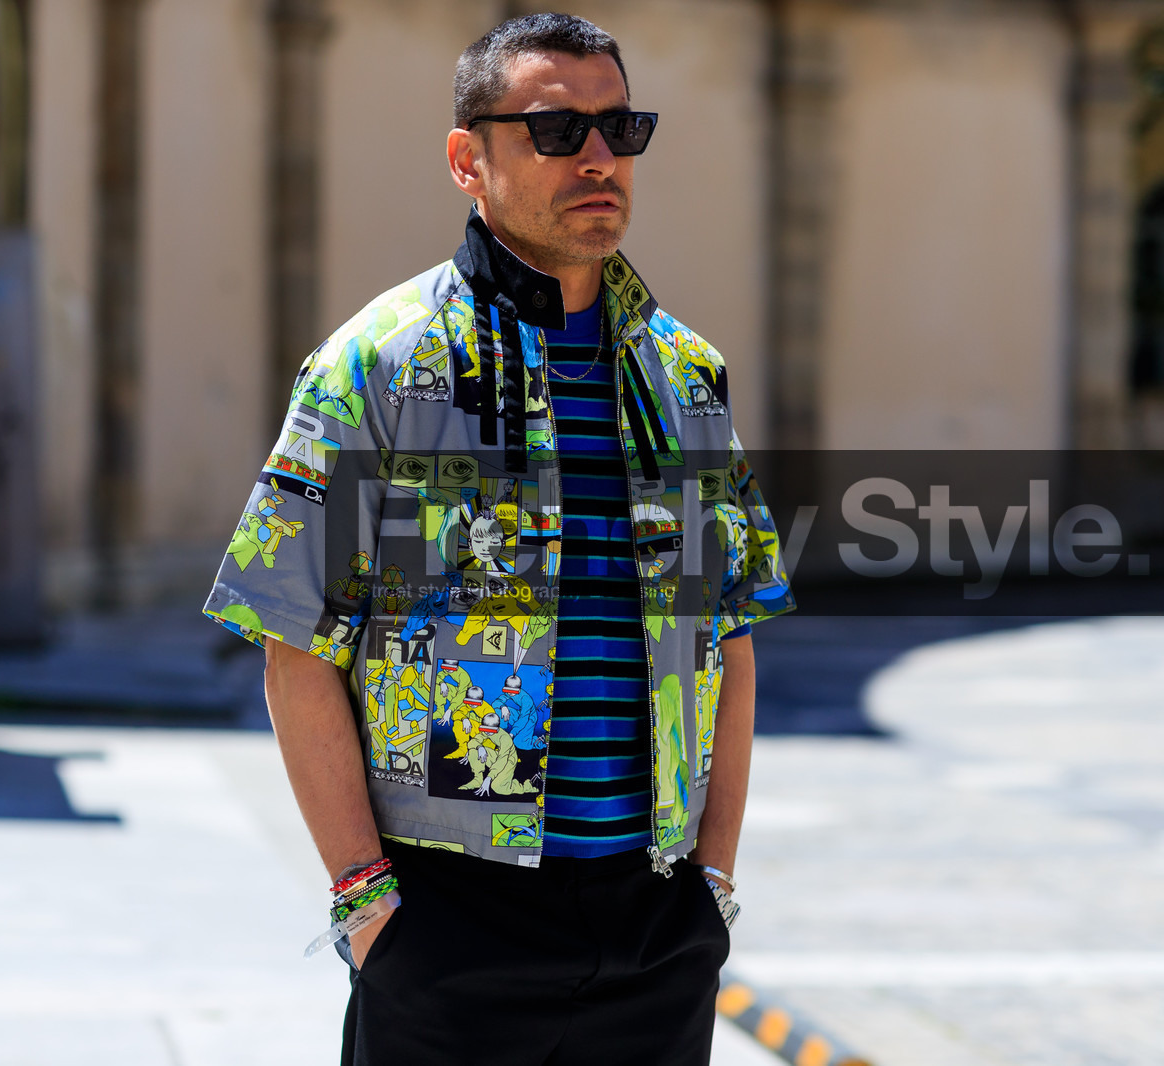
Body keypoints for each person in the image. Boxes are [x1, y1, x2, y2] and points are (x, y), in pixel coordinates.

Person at [204, 13, 794, 1064]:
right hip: (445, 924)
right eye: (558, 131)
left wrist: (711, 883)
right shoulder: (375, 370)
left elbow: (729, 639)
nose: (600, 158)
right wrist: (367, 903)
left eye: (620, 128)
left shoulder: (683, 378)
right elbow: (293, 639)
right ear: (467, 161)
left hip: (656, 930)